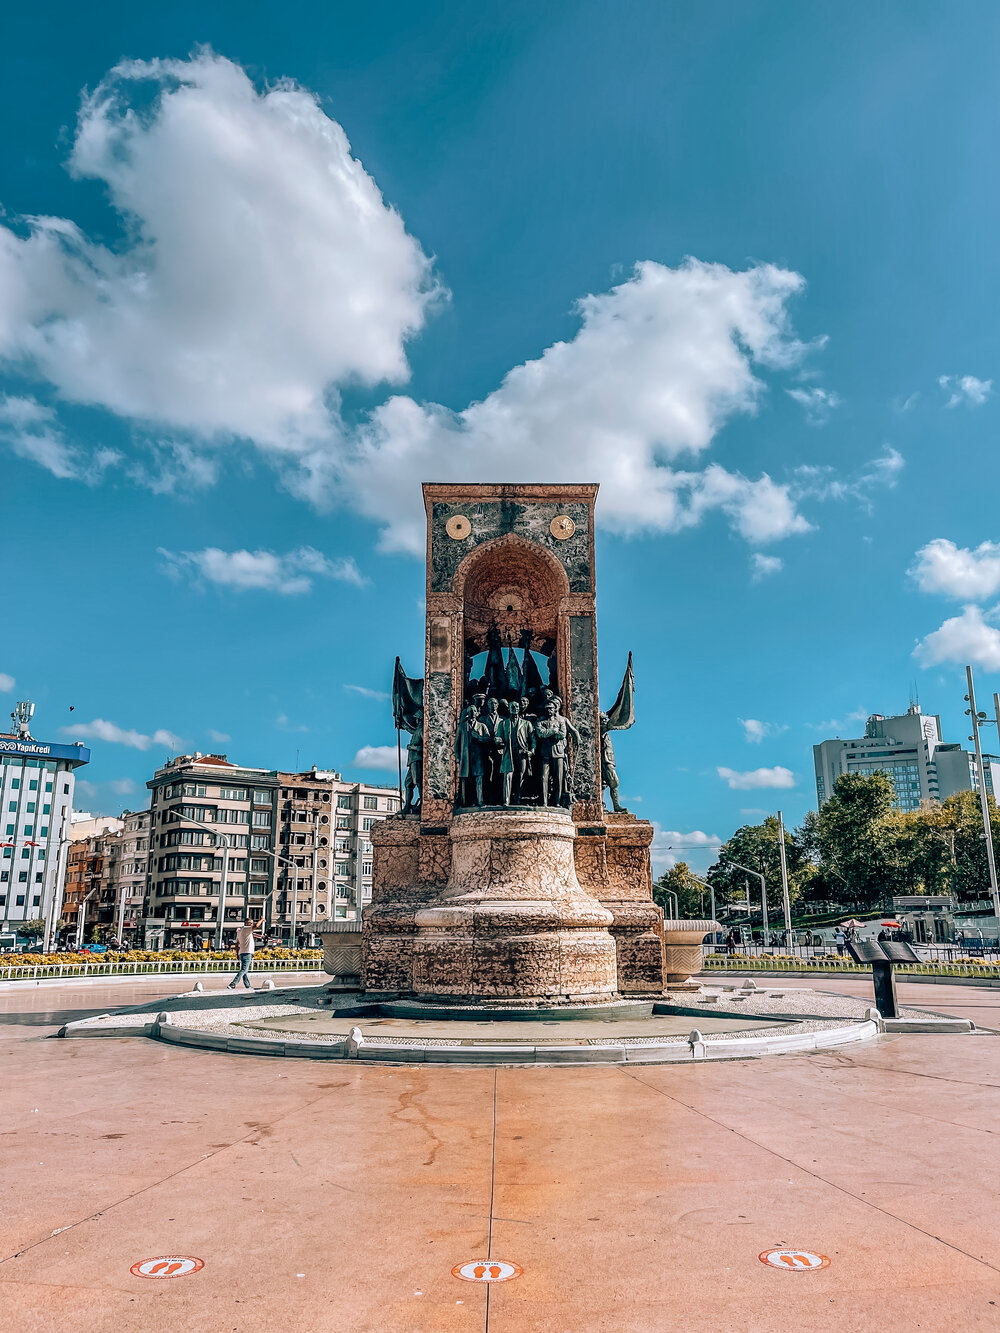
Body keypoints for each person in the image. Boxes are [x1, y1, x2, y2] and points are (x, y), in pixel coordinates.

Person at [229, 917, 263, 990]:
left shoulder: (240, 931)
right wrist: (261, 920)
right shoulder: (246, 929)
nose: (252, 924)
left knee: (245, 970)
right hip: (247, 952)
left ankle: (247, 985)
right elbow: (256, 926)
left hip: (242, 952)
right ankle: (233, 983)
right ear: (247, 923)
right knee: (244, 970)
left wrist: (237, 954)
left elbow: (236, 944)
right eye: (251, 923)